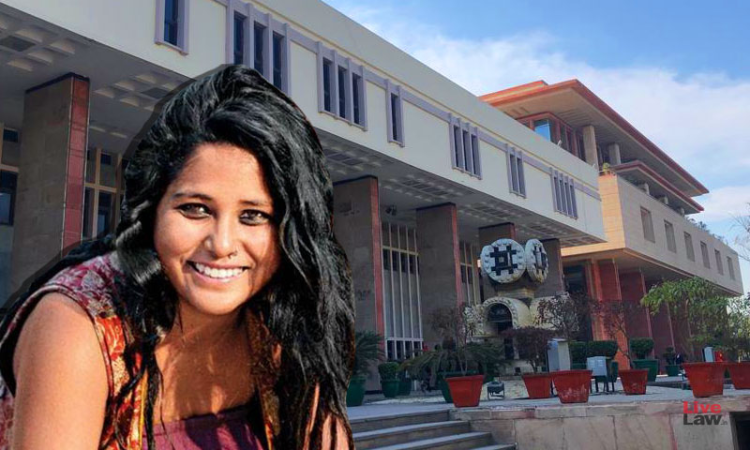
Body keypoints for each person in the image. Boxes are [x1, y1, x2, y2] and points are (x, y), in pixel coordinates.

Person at [0, 66, 355, 449]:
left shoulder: (284, 320)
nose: (221, 244)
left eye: (253, 215)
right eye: (196, 209)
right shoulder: (78, 323)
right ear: (152, 209)